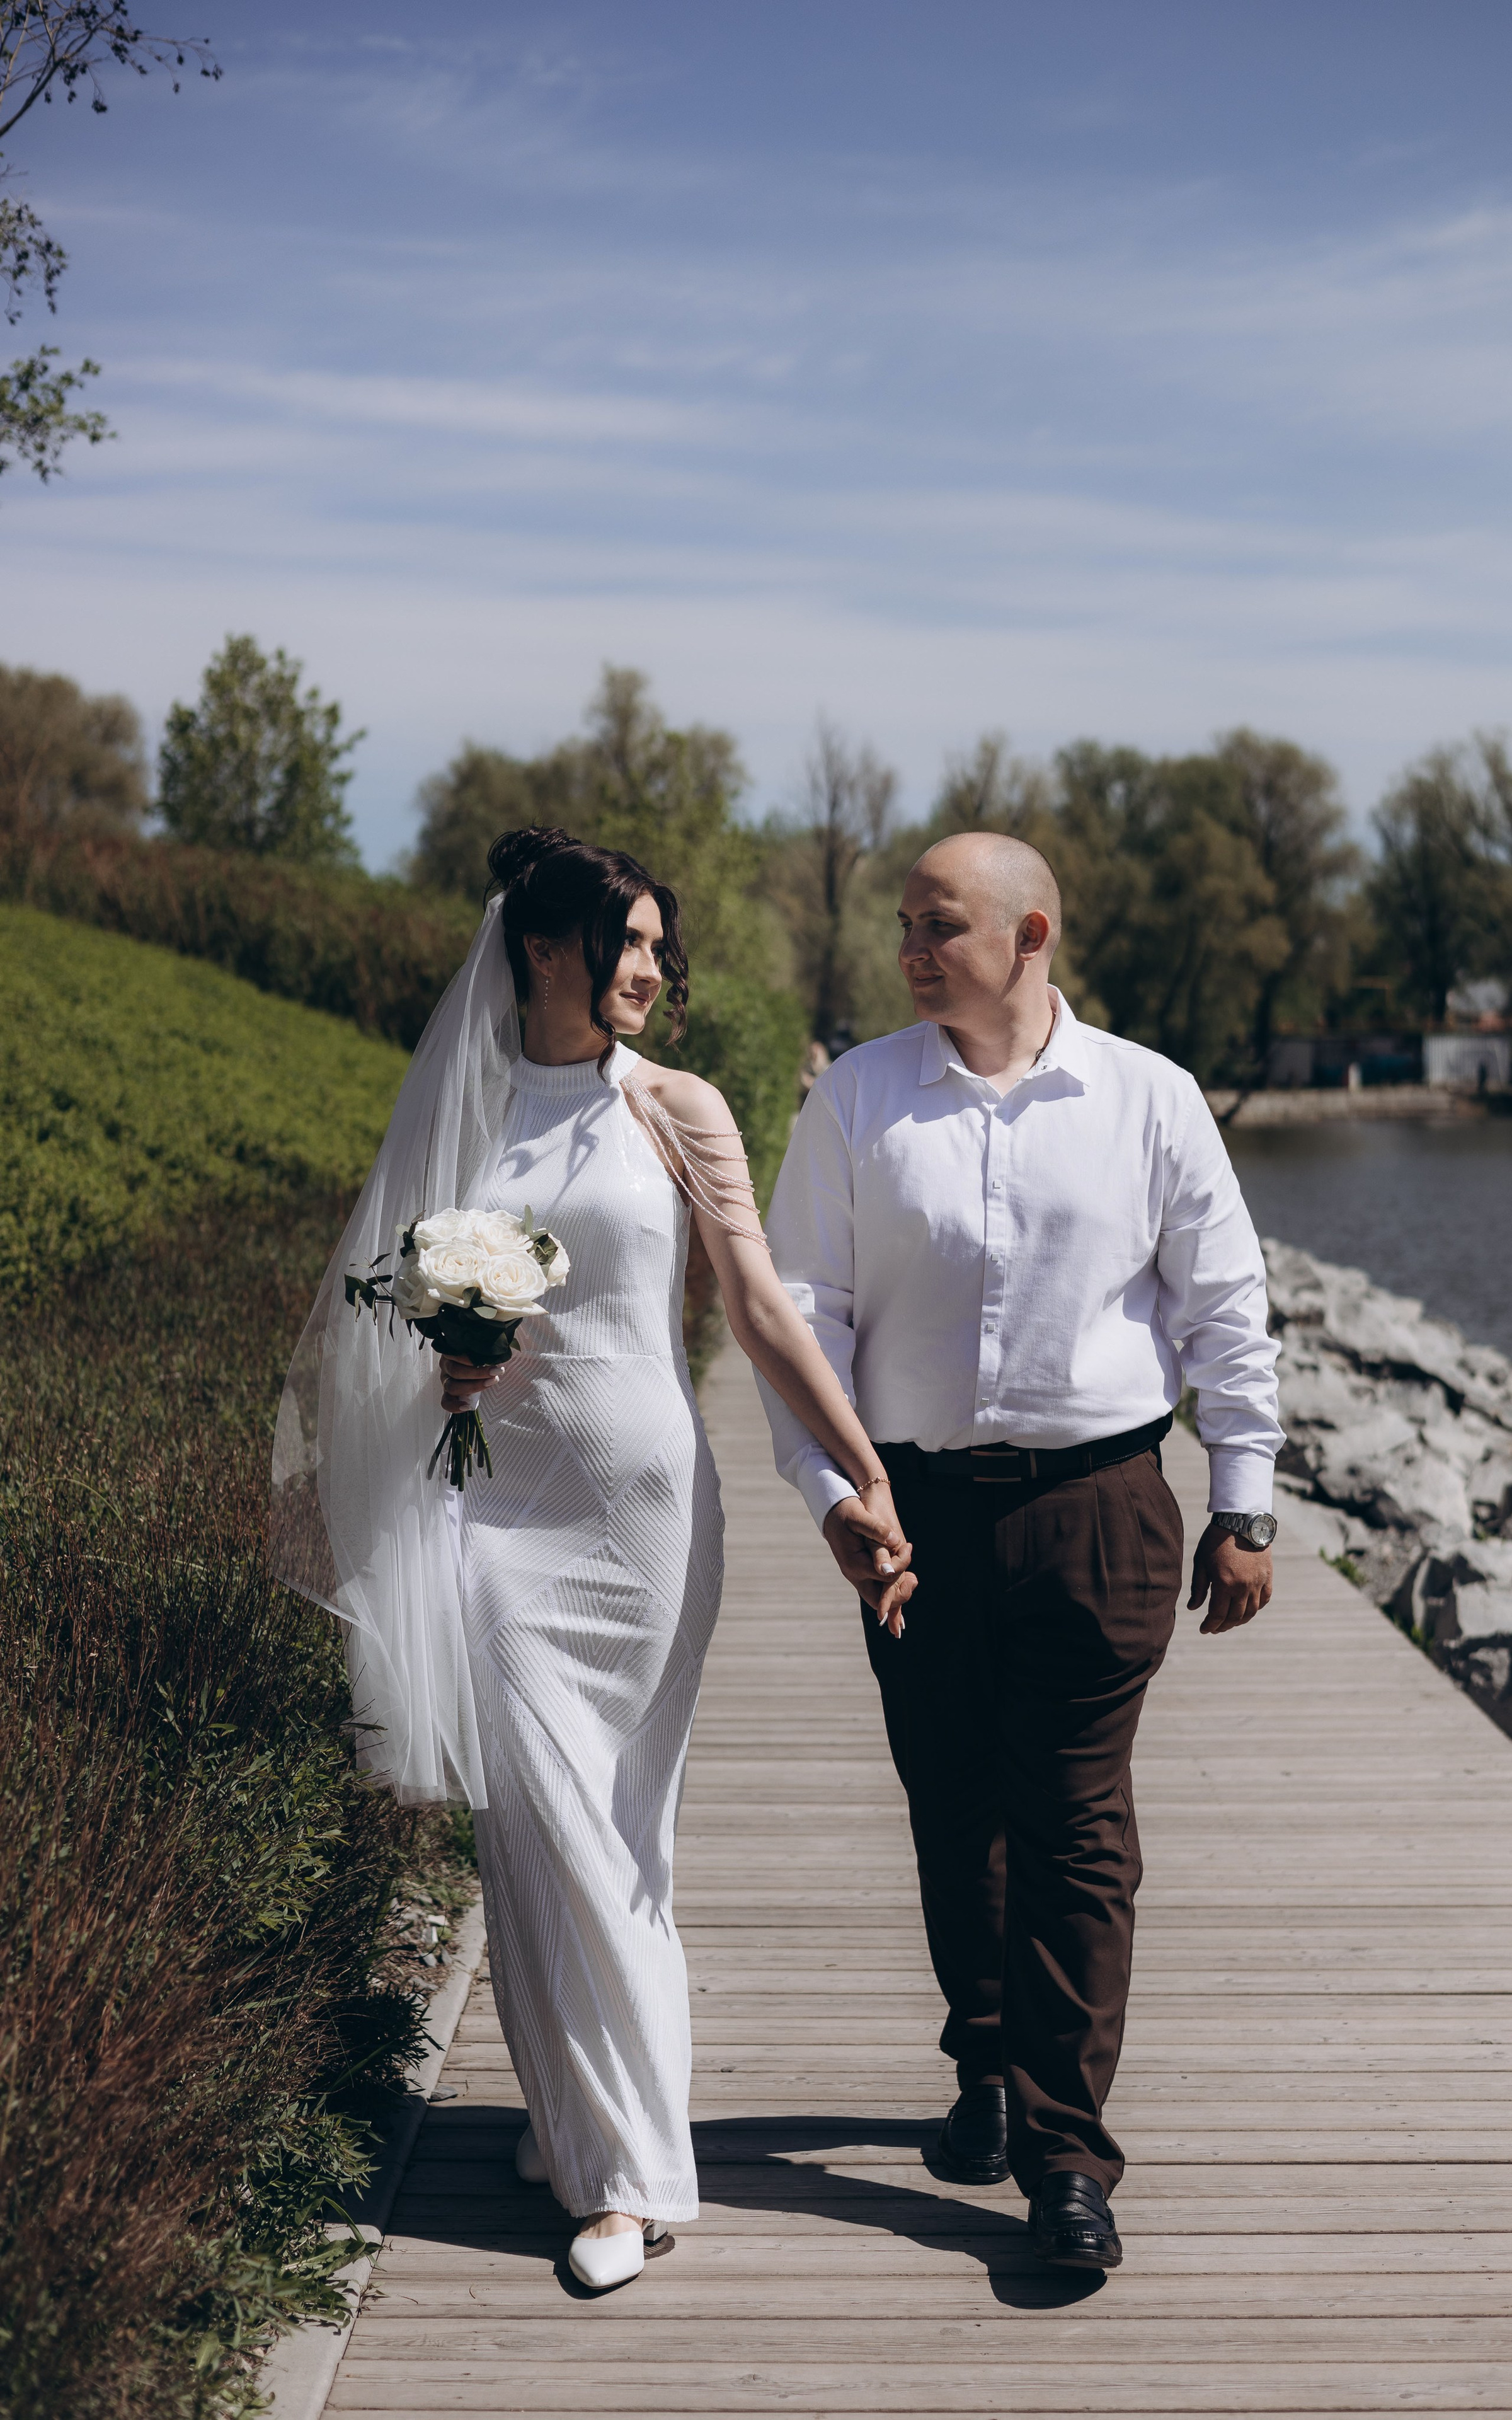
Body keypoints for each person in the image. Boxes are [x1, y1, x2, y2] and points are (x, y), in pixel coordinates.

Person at [273, 827, 910, 2295]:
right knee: (540, 1826)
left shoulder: (677, 1109)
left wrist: (860, 1470)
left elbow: (752, 1305)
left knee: (619, 1829)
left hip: (644, 1513)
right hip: (494, 1511)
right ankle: (621, 2177)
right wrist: (450, 1358)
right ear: (544, 950)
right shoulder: (464, 1109)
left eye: (651, 947)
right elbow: (398, 1302)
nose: (646, 969)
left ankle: (576, 2121)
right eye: (623, 943)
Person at [757, 829, 1283, 2272]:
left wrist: (1243, 1500)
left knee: (1074, 1827)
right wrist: (833, 1497)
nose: (909, 952)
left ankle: (1064, 2160)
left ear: (1027, 934)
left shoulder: (1148, 1099)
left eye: (936, 927)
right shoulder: (858, 1100)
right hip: (911, 1511)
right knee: (951, 1804)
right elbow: (801, 1320)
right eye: (904, 929)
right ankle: (983, 2069)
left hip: (1099, 1511)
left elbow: (1222, 1306)